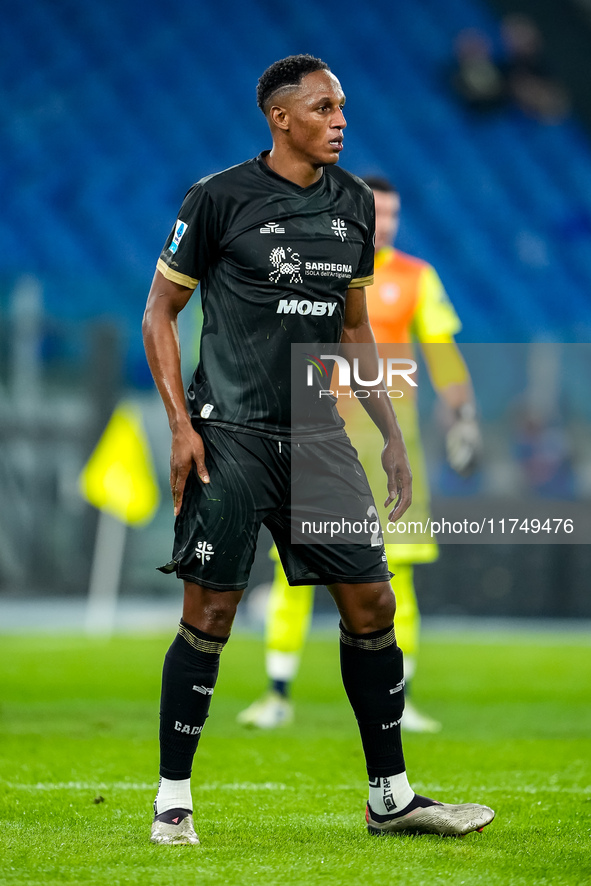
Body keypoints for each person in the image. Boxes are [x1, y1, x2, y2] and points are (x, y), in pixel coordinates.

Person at [143, 54, 494, 846]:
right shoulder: (217, 198)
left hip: (321, 439)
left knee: (373, 601)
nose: (340, 118)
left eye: (342, 106)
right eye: (324, 106)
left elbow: (354, 327)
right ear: (280, 117)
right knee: (210, 613)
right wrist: (179, 424)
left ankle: (391, 798)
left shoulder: (353, 205)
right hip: (229, 434)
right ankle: (172, 801)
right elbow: (159, 314)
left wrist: (392, 435)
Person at [238, 177, 480, 733]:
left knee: (398, 579)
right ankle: (277, 693)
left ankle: (402, 698)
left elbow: (441, 352)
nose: (387, 224)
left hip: (389, 453)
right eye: (379, 214)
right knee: (292, 575)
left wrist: (462, 413)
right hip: (315, 443)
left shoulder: (417, 278)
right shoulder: (314, 266)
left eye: (394, 215)